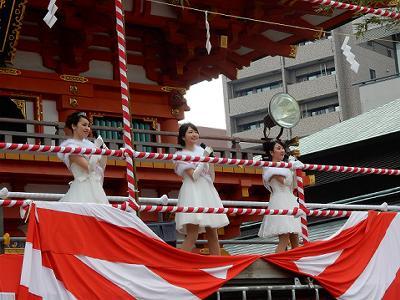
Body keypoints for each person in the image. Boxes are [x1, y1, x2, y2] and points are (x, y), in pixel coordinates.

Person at [174, 123, 229, 255]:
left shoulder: (202, 151)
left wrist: (210, 161)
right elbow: (193, 176)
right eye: (190, 132)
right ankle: (178, 264)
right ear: (182, 137)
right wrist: (204, 158)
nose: (194, 134)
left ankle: (218, 265)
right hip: (192, 192)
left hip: (207, 191)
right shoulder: (181, 155)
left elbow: (212, 177)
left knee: (213, 233)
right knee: (192, 235)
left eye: (195, 132)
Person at [258, 139, 302, 253]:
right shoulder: (270, 168)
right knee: (284, 237)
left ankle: (296, 262)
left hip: (289, 199)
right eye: (278, 148)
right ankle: (278, 262)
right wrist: (292, 169)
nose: (282, 150)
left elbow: (293, 186)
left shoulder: (283, 166)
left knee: (294, 237)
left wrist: (293, 169)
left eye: (282, 148)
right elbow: (285, 182)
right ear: (271, 152)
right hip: (280, 201)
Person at [57, 111, 108, 204]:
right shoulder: (70, 147)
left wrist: (104, 152)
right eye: (84, 125)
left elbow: (101, 166)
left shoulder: (91, 145)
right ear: (74, 126)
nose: (87, 128)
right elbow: (89, 168)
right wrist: (97, 151)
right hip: (82, 187)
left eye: (88, 126)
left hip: (96, 186)